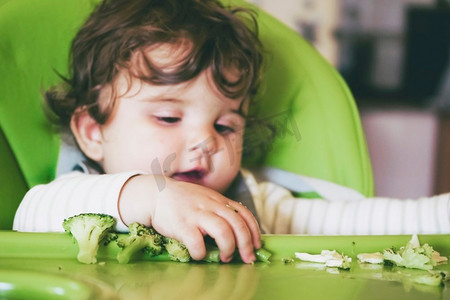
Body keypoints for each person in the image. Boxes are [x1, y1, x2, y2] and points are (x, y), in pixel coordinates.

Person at [14, 0, 450, 264]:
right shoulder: (80, 193)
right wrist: (146, 195)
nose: (206, 142)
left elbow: (360, 224)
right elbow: (29, 215)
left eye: (225, 125)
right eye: (168, 118)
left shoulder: (250, 201)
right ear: (93, 131)